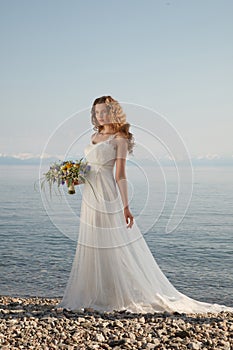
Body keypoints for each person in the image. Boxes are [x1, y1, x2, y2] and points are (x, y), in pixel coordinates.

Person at [58, 95, 233, 314]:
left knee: (112, 243)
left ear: (113, 112)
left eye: (104, 111)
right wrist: (74, 179)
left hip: (107, 194)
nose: (100, 116)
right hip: (89, 196)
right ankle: (97, 294)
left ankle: (116, 296)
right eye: (97, 112)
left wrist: (125, 206)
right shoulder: (94, 136)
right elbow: (90, 170)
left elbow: (120, 174)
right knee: (93, 242)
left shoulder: (119, 139)